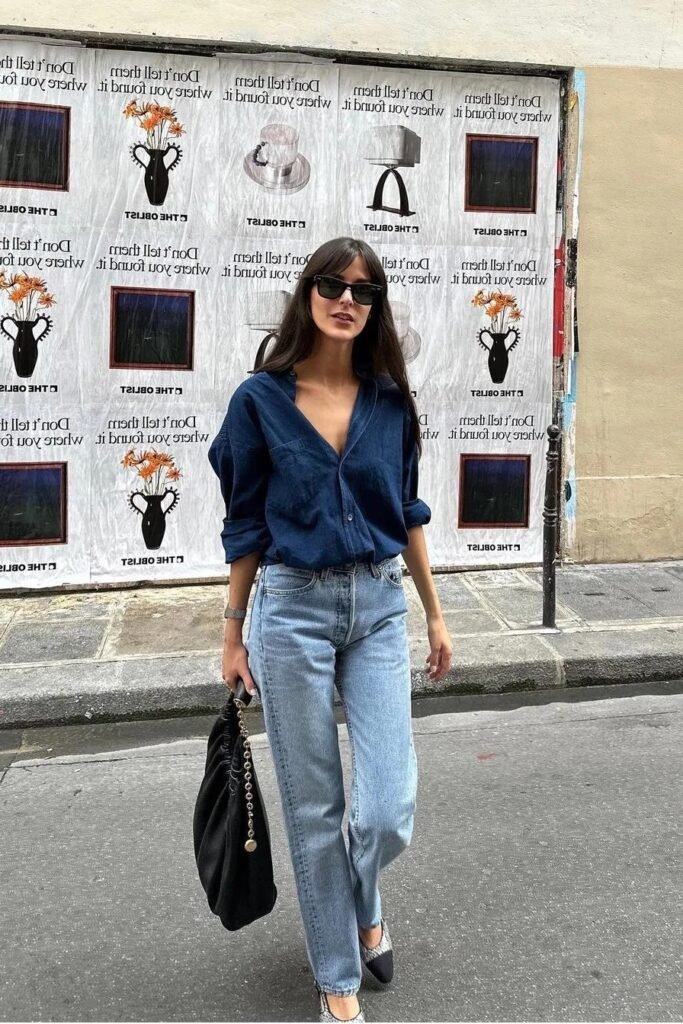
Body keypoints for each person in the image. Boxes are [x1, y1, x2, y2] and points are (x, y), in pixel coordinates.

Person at [208, 237, 453, 1023]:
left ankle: (363, 897)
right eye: (331, 285)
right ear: (306, 294)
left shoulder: (389, 400)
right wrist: (231, 629)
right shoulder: (260, 401)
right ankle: (337, 979)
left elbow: (407, 514)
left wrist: (435, 611)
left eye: (363, 291)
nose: (346, 300)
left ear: (374, 307)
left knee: (384, 808)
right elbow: (244, 523)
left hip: (378, 608)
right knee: (314, 807)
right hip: (291, 611)